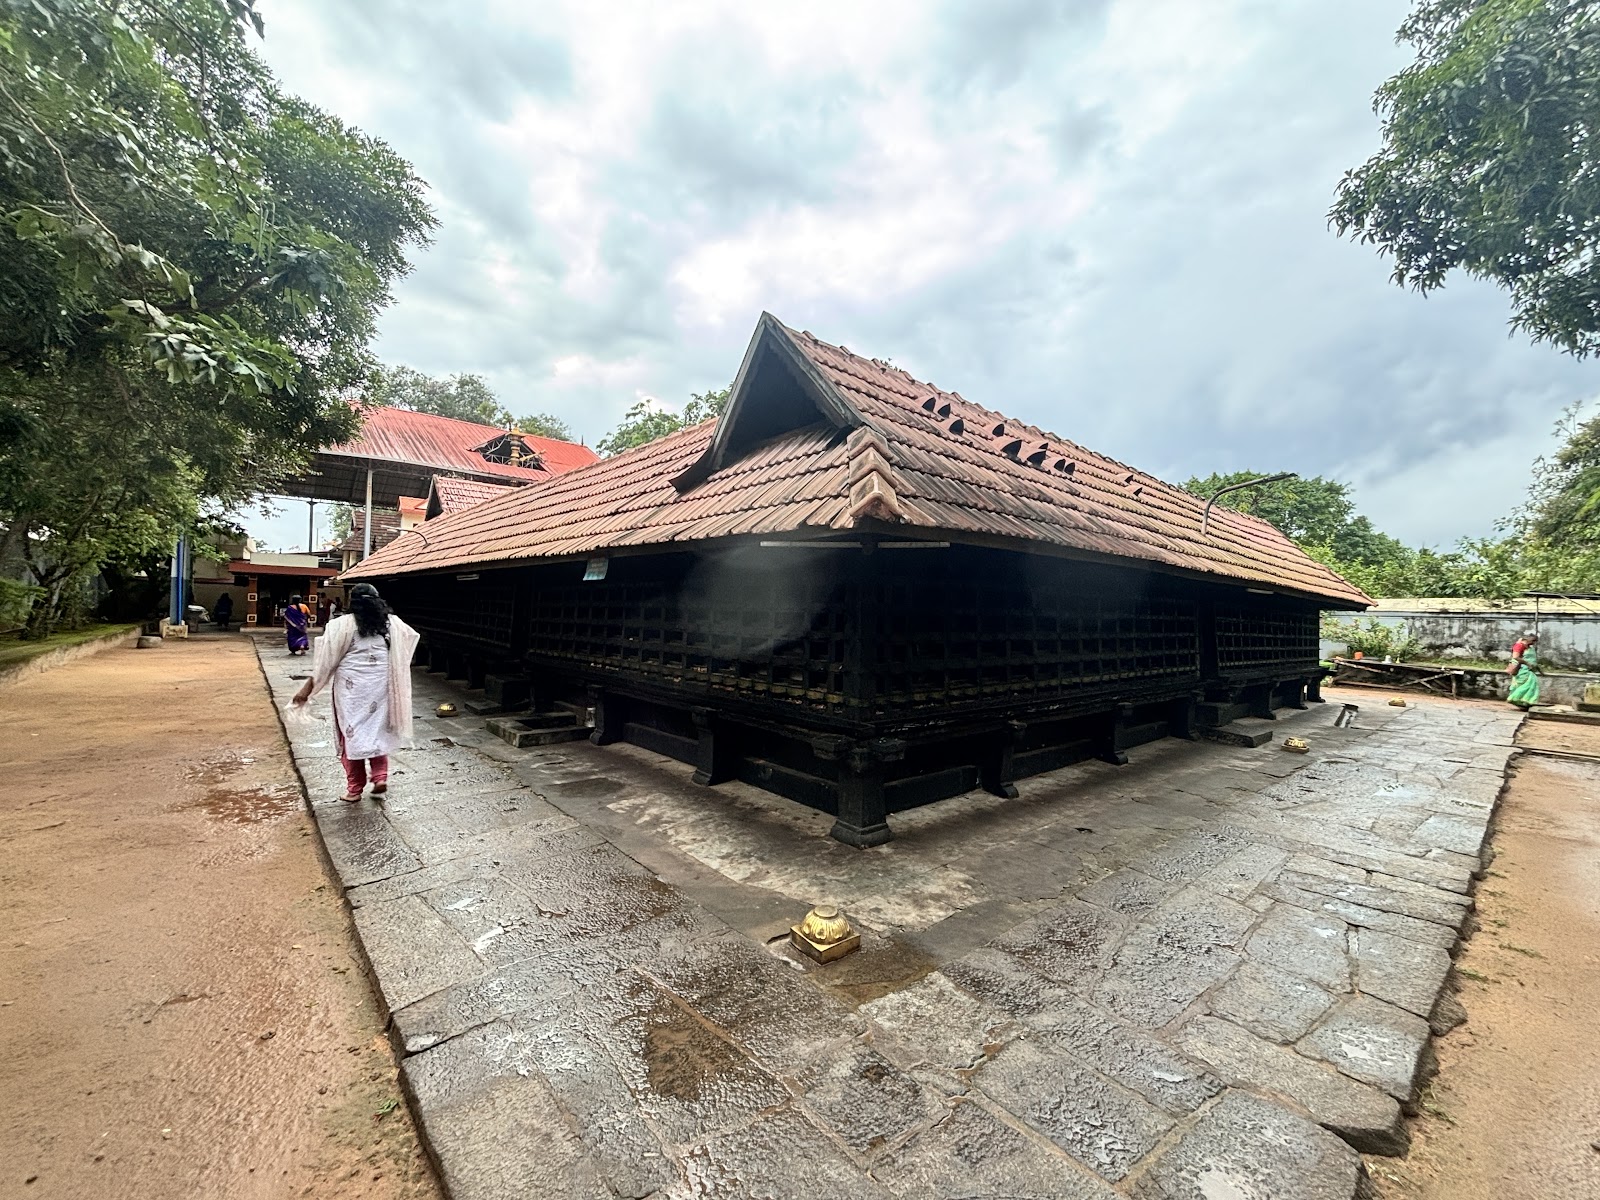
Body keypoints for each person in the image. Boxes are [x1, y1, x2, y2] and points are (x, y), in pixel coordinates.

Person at [290, 583, 419, 803]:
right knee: (377, 734)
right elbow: (410, 638)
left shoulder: (341, 625)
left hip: (352, 692)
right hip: (381, 688)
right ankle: (379, 778)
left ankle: (354, 789)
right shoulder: (392, 624)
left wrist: (307, 690)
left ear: (353, 601)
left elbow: (326, 663)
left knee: (350, 736)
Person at [1507, 632, 1541, 709]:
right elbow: (1516, 657)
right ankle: (1517, 699)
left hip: (1528, 669)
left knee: (1530, 685)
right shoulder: (1519, 645)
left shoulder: (1528, 647)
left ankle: (1524, 702)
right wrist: (1527, 664)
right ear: (1527, 638)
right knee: (1525, 685)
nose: (1533, 643)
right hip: (1521, 668)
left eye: (1534, 641)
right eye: (1532, 640)